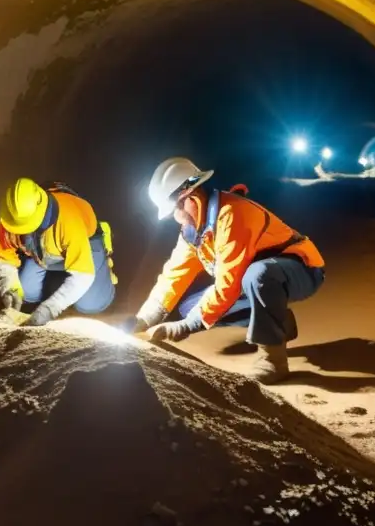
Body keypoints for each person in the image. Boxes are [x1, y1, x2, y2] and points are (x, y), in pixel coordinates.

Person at [129, 157, 325, 383]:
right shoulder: (194, 229)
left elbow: (227, 285)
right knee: (191, 307)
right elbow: (174, 274)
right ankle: (277, 320)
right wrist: (145, 318)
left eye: (174, 209)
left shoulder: (231, 214)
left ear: (189, 197)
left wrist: (187, 326)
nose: (174, 217)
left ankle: (274, 360)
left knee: (257, 275)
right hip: (262, 279)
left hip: (302, 268)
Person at [0, 178, 117, 326]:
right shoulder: (10, 218)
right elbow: (4, 259)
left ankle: (102, 264)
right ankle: (54, 271)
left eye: (25, 226)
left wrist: (49, 309)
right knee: (27, 293)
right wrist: (9, 289)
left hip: (86, 239)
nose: (20, 230)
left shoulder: (69, 220)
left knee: (91, 304)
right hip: (46, 249)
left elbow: (83, 276)